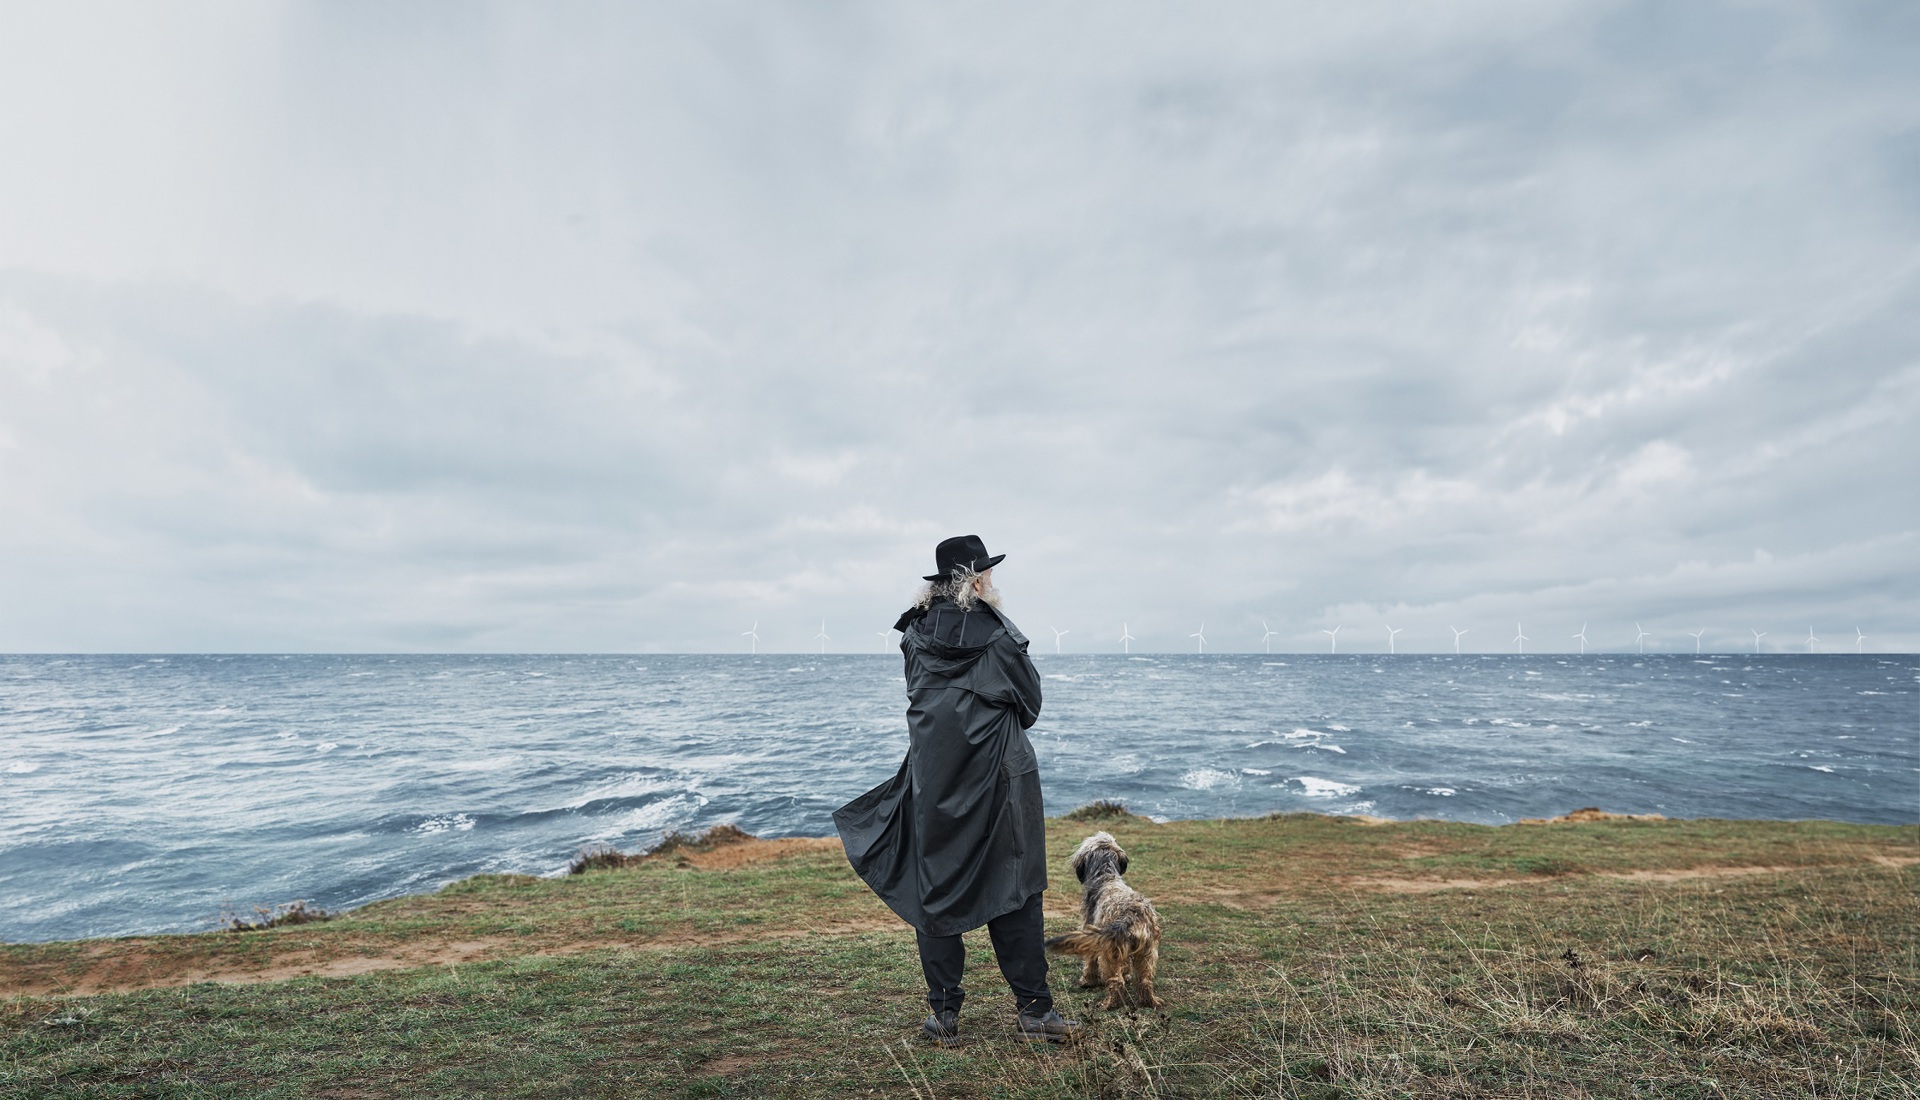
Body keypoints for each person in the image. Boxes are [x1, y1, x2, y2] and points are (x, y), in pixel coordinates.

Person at [833, 535, 1084, 1046]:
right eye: (987, 573)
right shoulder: (998, 636)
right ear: (975, 580)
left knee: (937, 889)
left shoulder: (914, 635)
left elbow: (922, 697)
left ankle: (943, 1017)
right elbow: (1030, 705)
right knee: (1015, 889)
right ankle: (1035, 1014)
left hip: (934, 781)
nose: (993, 581)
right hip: (999, 782)